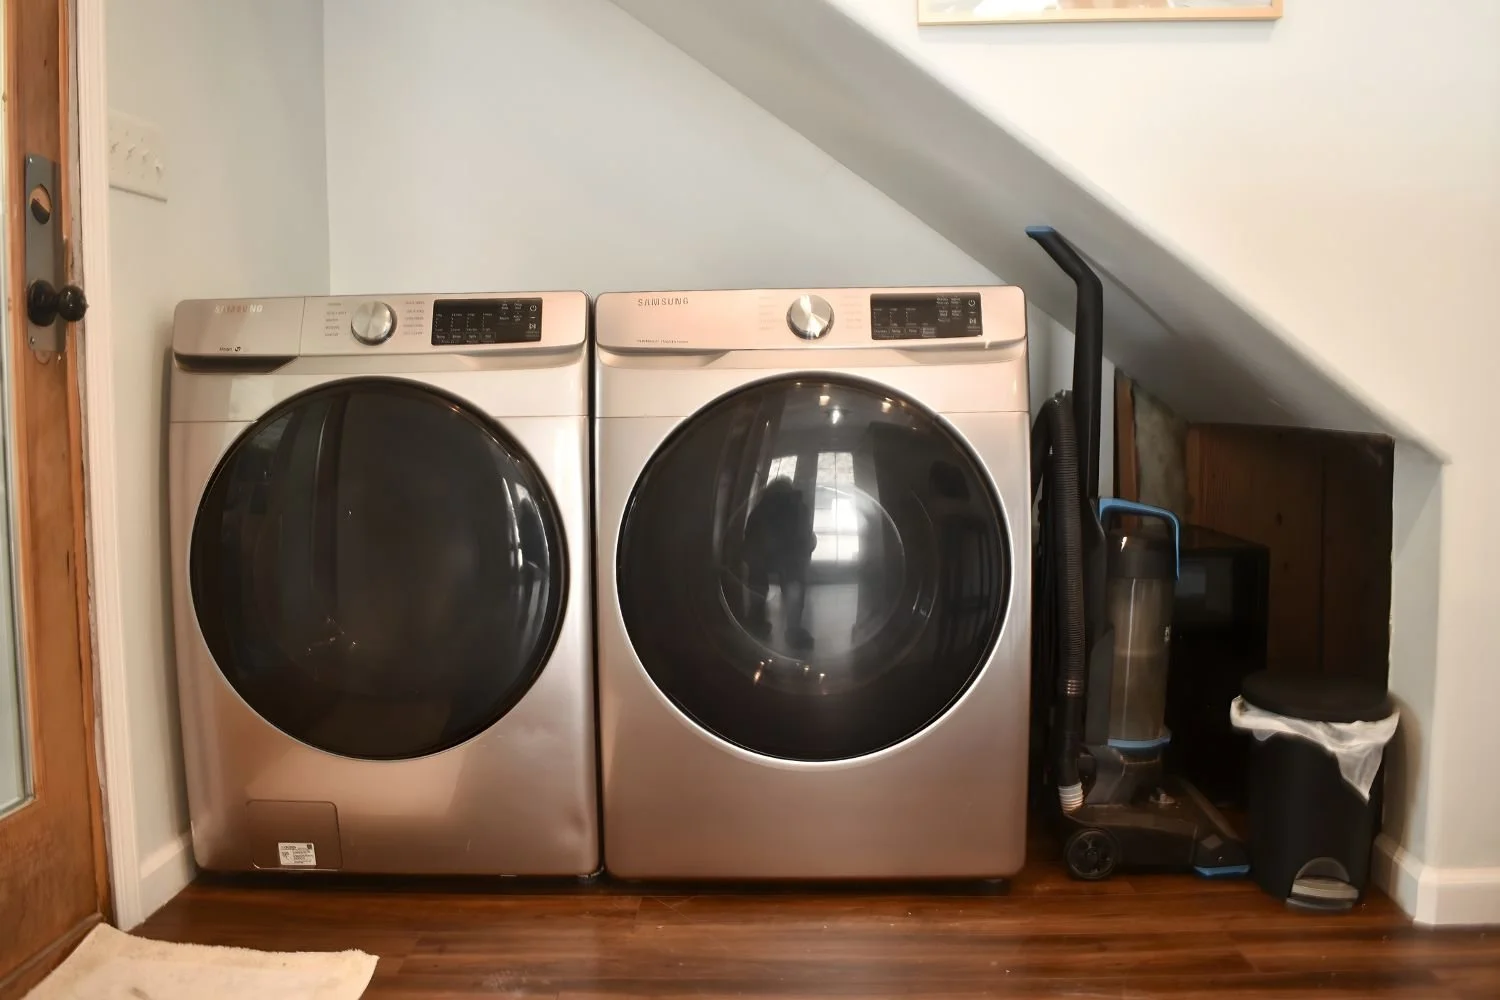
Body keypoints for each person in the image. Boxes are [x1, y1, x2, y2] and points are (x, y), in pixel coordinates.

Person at [742, 476, 816, 651]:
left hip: (764, 554)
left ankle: (757, 620)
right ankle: (793, 630)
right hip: (788, 556)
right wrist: (805, 551)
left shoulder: (761, 507)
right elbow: (805, 536)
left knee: (758, 580)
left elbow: (750, 535)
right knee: (794, 582)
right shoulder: (798, 506)